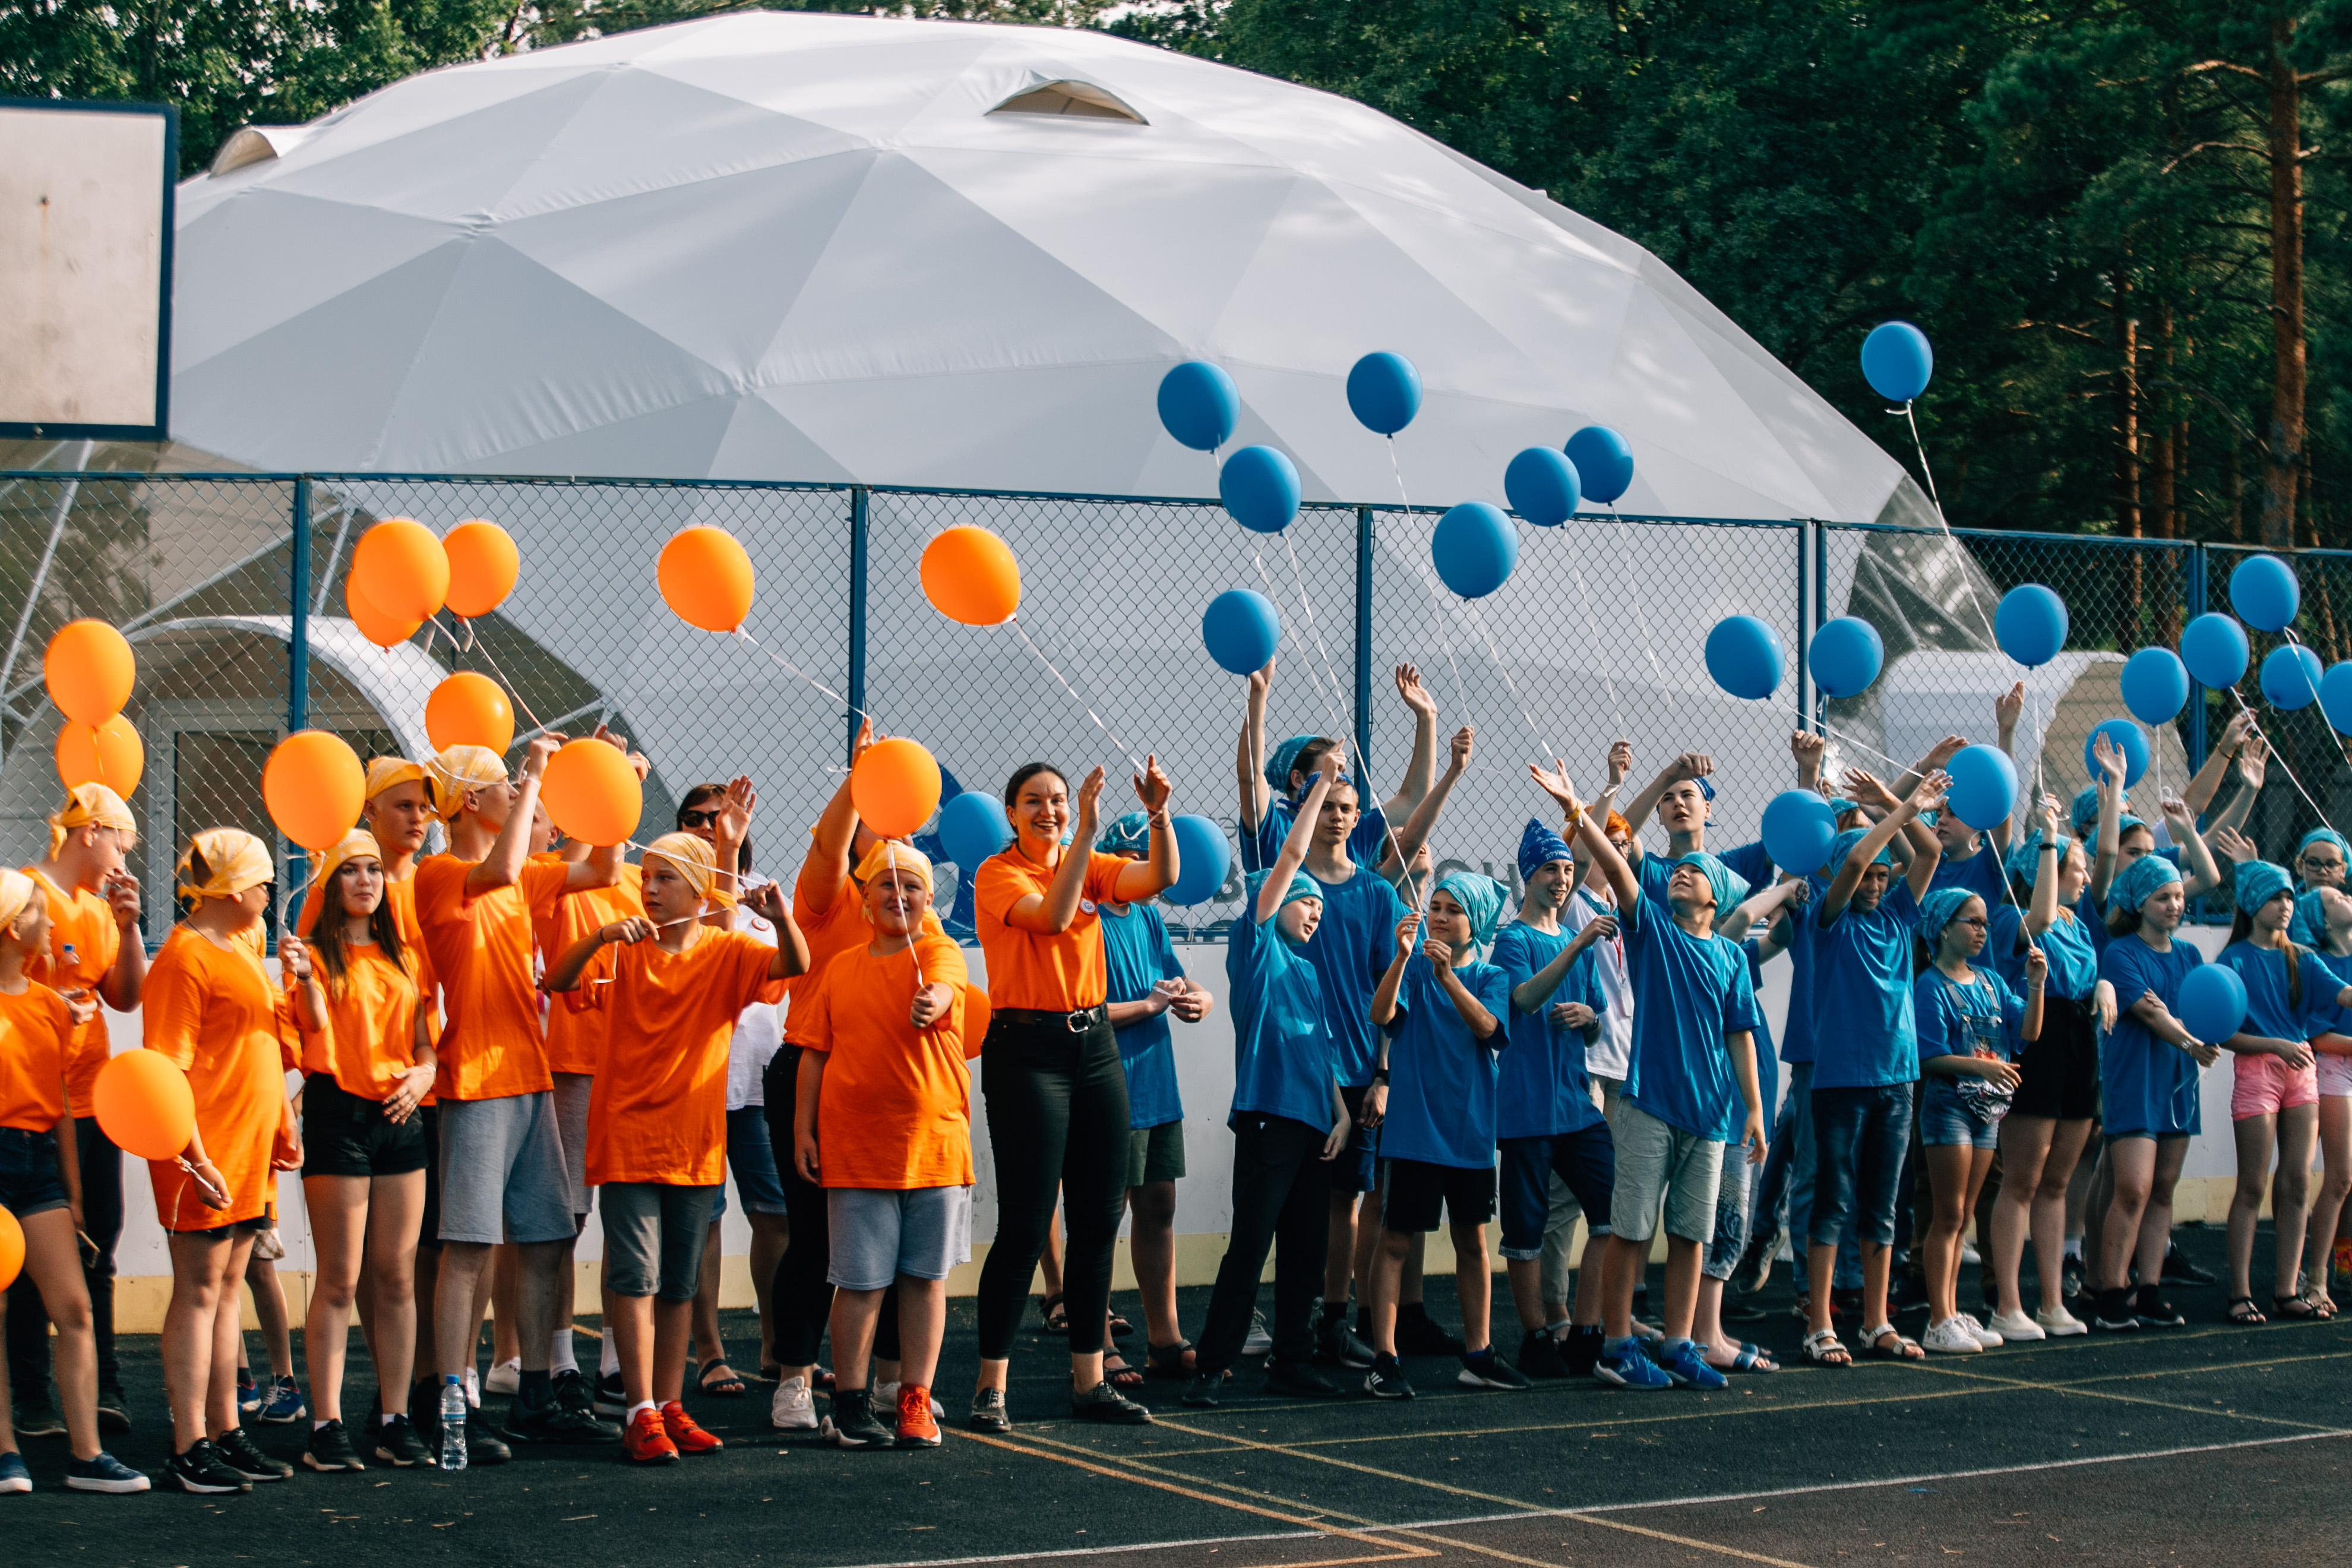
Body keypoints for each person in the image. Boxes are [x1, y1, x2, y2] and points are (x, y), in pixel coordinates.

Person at [546, 832, 807, 1464]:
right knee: (635, 1276)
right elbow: (559, 980)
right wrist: (601, 938)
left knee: (679, 1282)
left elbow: (794, 965)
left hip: (694, 1143)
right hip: (631, 1139)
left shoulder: (725, 951)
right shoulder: (626, 949)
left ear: (696, 887)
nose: (650, 888)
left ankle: (667, 1406)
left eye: (664, 878)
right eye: (648, 877)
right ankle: (639, 1410)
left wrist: (781, 918)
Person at [1237, 663, 1452, 1366]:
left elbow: (1412, 809)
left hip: (1357, 1066)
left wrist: (1423, 719)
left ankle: (1331, 1323)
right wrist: (1259, 698)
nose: (1329, 784)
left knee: (1345, 1205)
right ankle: (1267, 1326)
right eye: (1312, 772)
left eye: (1336, 779)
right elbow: (1248, 781)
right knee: (1276, 1212)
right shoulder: (1278, 844)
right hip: (1296, 1066)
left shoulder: (1367, 871)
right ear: (1295, 784)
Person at [413, 738, 623, 1452]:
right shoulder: (442, 874)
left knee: (544, 1236)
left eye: (516, 781)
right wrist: (536, 773)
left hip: (528, 1075)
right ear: (471, 801)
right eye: (502, 784)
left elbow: (601, 867)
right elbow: (501, 865)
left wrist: (608, 796)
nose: (517, 790)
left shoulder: (522, 874)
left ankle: (536, 1393)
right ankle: (451, 1400)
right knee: (469, 1244)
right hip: (475, 1079)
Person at [1533, 760, 1763, 1393]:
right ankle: (1616, 1345)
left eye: (1695, 872)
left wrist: (1754, 1111)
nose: (1682, 873)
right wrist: (1579, 806)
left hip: (1712, 1114)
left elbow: (1739, 1035)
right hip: (1648, 1104)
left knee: (1691, 1233)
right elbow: (1612, 865)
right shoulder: (1651, 930)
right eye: (1679, 872)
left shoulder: (1730, 956)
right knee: (1631, 1228)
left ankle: (1683, 1344)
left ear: (1717, 896)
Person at [968, 755, 1176, 1431]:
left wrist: (1157, 813)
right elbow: (1055, 919)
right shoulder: (998, 874)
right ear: (1011, 813)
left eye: (1058, 800)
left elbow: (1162, 876)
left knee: (1096, 1222)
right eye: (1034, 801)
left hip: (1093, 1050)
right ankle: (990, 1387)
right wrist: (1084, 833)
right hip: (1027, 1052)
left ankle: (1091, 1379)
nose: (1049, 810)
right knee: (1027, 1226)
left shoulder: (1093, 860)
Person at [760, 723, 941, 1431]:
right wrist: (859, 774)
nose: (881, 828)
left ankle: (898, 1386)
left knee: (896, 1248)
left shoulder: (912, 914)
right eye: (871, 814)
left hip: (883, 1084)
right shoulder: (828, 899)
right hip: (811, 1070)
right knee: (816, 1239)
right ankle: (795, 1377)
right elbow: (832, 844)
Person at [792, 842, 972, 1447]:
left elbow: (946, 988)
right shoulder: (841, 967)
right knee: (860, 1281)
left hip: (935, 1146)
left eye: (913, 887)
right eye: (885, 886)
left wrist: (934, 1002)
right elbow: (813, 1052)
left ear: (930, 900)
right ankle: (850, 1403)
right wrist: (802, 1129)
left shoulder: (941, 952)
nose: (899, 897)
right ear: (863, 899)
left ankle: (914, 1398)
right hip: (857, 1148)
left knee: (923, 1279)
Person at [1184, 758, 1351, 1406]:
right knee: (1251, 1245)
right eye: (1304, 900)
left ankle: (1292, 1361)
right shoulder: (1254, 948)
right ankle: (1212, 1366)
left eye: (1319, 904)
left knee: (1306, 1252)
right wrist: (1317, 791)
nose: (1315, 912)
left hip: (1316, 1125)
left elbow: (1324, 1056)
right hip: (1266, 1118)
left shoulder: (1309, 974)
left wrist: (1339, 1114)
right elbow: (1288, 858)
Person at [146, 829, 302, 1494]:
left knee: (226, 1293)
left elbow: (264, 1039)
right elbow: (166, 1072)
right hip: (206, 1154)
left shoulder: (238, 944)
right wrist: (195, 1159)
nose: (270, 892)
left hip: (243, 1149)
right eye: (264, 882)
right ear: (236, 890)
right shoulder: (184, 958)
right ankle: (189, 1445)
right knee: (199, 1293)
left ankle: (221, 1431)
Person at [279, 830, 437, 1470]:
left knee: (397, 1276)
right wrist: (303, 976)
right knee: (341, 1280)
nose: (367, 880)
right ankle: (326, 1425)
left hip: (401, 1116)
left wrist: (424, 1074)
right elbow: (313, 1025)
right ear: (330, 883)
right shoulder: (313, 955)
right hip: (338, 1113)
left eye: (374, 869)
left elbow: (426, 1044)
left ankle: (395, 1420)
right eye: (352, 871)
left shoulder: (406, 958)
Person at [0, 868, 147, 1494]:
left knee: (76, 1308)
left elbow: (60, 1101)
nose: (51, 922)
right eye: (39, 913)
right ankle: (6, 1450)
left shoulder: (47, 1006)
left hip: (37, 1167)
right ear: (13, 929)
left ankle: (87, 1456)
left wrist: (75, 1193)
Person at [1798, 770, 1946, 1368]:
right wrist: (1904, 805)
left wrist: (1894, 802)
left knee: (1883, 1205)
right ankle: (1819, 1324)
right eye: (1870, 876)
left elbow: (1931, 850)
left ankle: (1877, 1322)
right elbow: (1856, 857)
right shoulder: (1829, 921)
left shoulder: (1897, 918)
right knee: (1834, 1201)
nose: (1877, 883)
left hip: (1897, 1080)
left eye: (1886, 876)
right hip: (1841, 1080)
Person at [1363, 870, 1524, 1398]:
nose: (1439, 916)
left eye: (1453, 909)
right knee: (1396, 1242)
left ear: (1474, 919)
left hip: (1470, 1132)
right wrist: (1404, 956)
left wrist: (1449, 976)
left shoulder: (1491, 976)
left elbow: (1490, 1030)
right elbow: (1380, 1013)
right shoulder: (1410, 970)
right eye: (1435, 906)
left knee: (1473, 1242)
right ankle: (1384, 1358)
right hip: (1415, 1132)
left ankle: (1477, 1353)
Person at [668, 781, 789, 1397]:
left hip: (762, 1085)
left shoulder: (769, 892)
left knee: (776, 1215)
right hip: (702, 1084)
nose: (710, 827)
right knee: (704, 1223)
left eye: (719, 819)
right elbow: (715, 940)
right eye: (695, 819)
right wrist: (722, 856)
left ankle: (777, 1347)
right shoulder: (675, 897)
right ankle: (710, 1353)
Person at [1490, 819, 1613, 1379]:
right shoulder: (1515, 939)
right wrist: (1580, 943)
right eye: (1551, 870)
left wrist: (1591, 1018)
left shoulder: (1575, 943)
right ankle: (1536, 1336)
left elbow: (1590, 1022)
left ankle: (1587, 1329)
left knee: (1613, 1214)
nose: (1563, 879)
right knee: (1525, 1229)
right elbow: (1526, 998)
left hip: (1575, 1106)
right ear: (1529, 874)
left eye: (1568, 870)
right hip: (1525, 1107)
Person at [1096, 811, 1213, 1383]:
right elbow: (1075, 1011)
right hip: (1107, 1087)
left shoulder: (1145, 916)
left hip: (1156, 1085)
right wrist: (1147, 1006)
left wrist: (1199, 1000)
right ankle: (1095, 1345)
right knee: (1101, 1217)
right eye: (1138, 862)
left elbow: (1177, 981)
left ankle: (1164, 1338)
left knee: (1158, 1208)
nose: (1147, 875)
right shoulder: (1082, 920)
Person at [2090, 853, 2223, 1332]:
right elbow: (2152, 1013)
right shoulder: (2120, 952)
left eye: (2179, 898)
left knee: (2163, 1190)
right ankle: (2110, 1291)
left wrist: (2200, 1036)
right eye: (2163, 897)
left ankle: (2149, 1290)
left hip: (2177, 1083)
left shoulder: (2189, 955)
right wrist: (2191, 1041)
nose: (2174, 905)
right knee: (2132, 1189)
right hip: (2136, 1080)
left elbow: (2201, 1008)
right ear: (2138, 903)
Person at [1983, 805, 2102, 1341]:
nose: (2086, 876)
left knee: (2056, 1181)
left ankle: (2052, 1301)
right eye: (2075, 867)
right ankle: (2008, 1304)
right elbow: (2043, 918)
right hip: (2041, 1038)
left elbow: (2091, 970)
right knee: (2023, 1180)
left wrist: (2105, 986)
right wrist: (2053, 837)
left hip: (2079, 1036)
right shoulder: (2015, 916)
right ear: (2045, 869)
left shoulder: (2079, 922)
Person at [1912, 890, 2045, 1354]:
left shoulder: (1989, 981)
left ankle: (1951, 1311)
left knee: (1965, 1215)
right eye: (1972, 922)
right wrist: (1982, 1067)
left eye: (1985, 923)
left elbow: (2027, 1032)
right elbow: (1929, 1058)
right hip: (1949, 1109)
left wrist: (2035, 985)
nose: (1982, 931)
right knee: (1947, 1214)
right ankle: (1939, 1317)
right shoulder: (1930, 985)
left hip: (1987, 1110)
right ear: (1944, 928)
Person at [2214, 861, 2340, 1324]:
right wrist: (2274, 1045)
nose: (2285, 906)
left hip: (2300, 1074)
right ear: (2250, 903)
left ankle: (2288, 1289)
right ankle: (2241, 1292)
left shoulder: (2303, 958)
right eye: (2275, 897)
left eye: (2289, 897)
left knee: (2298, 1182)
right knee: (2252, 1184)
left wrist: (2290, 1049)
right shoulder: (2234, 961)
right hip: (2258, 1072)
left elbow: (2343, 993)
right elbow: (2221, 1033)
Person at [2295, 886, 2352, 1318]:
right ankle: (2315, 1278)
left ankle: (2344, 1269)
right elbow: (2318, 1037)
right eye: (2335, 899)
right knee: (2339, 1178)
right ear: (2321, 920)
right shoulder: (2319, 966)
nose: (2346, 896)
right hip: (2335, 1069)